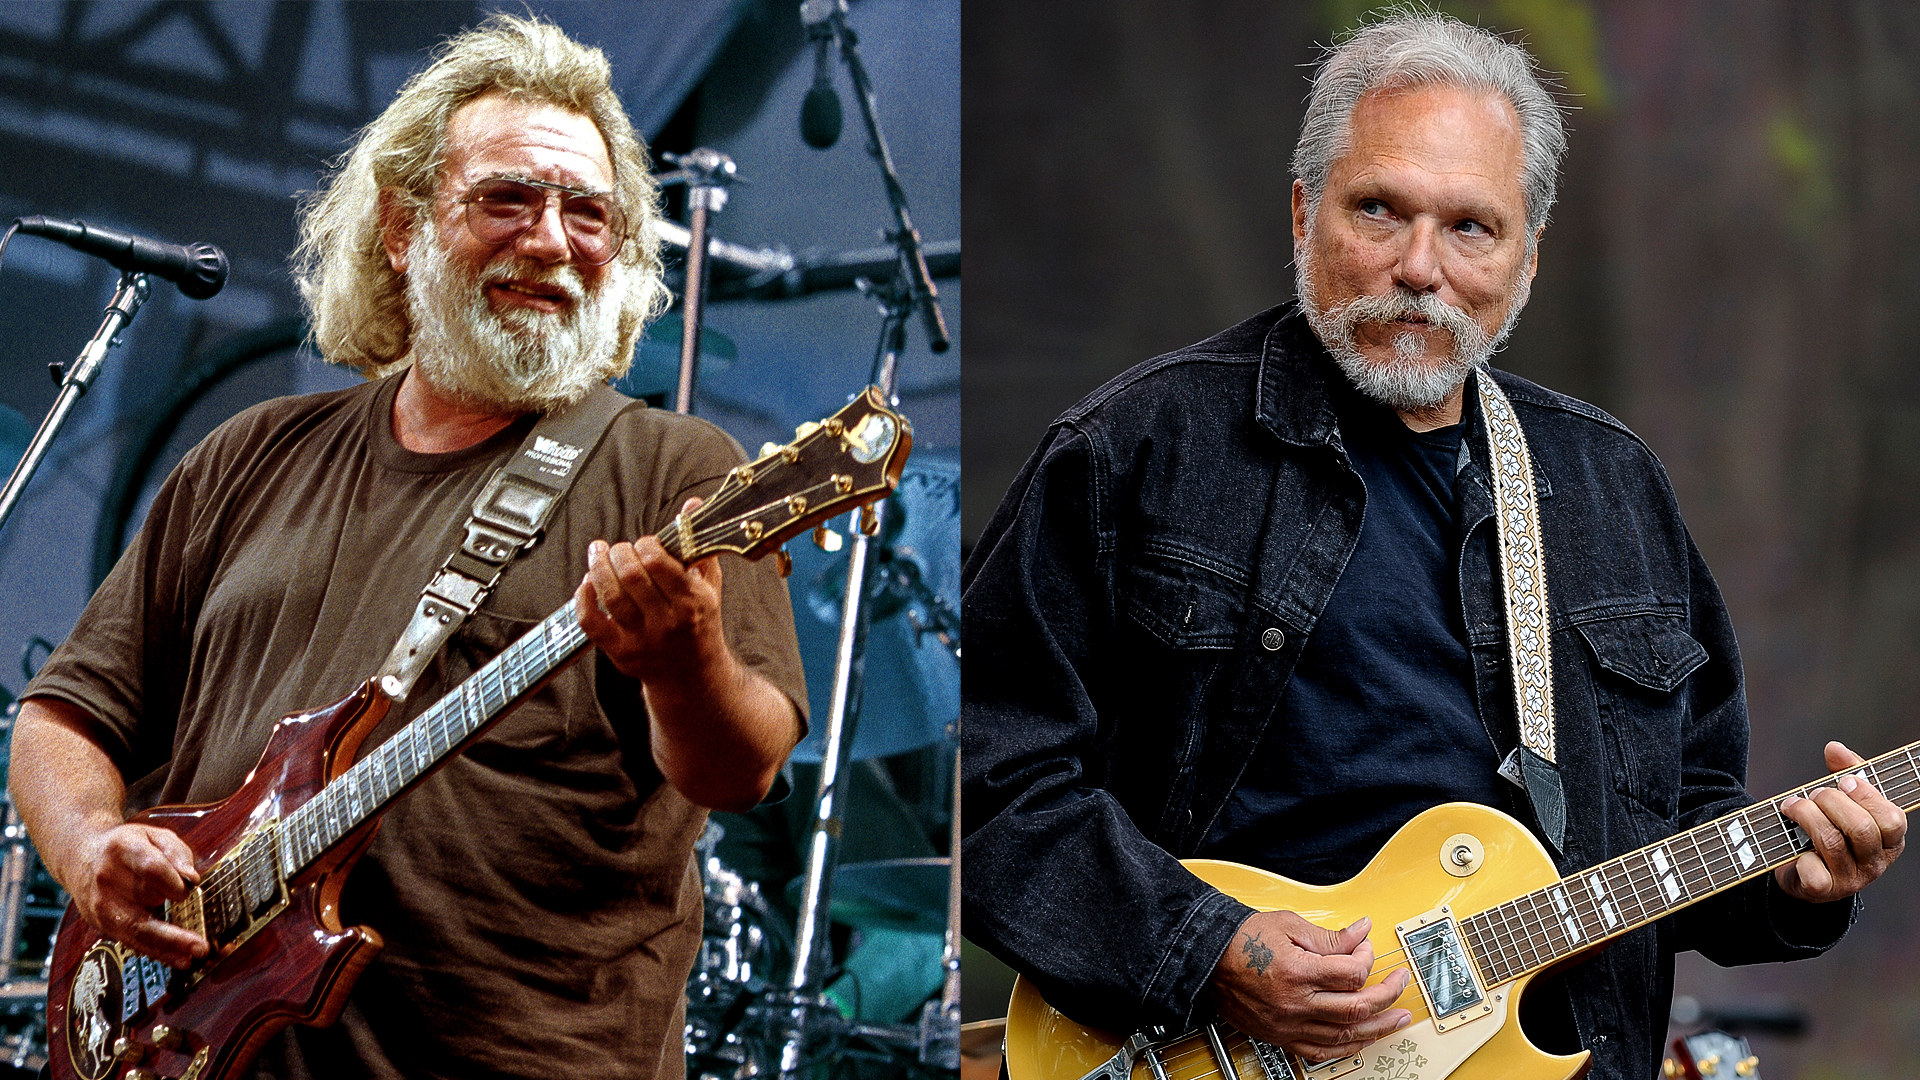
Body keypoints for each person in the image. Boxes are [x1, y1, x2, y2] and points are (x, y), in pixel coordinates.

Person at [961, 11, 1905, 1080]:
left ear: (1528, 256)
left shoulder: (1610, 485)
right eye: (1379, 210)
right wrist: (1207, 944)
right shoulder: (1136, 448)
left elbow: (1684, 821)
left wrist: (1797, 881)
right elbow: (986, 776)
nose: (1420, 267)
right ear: (1305, 211)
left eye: (1471, 227)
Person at [10, 15, 805, 1080]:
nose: (551, 240)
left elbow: (740, 766)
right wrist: (89, 847)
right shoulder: (250, 454)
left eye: (589, 214)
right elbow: (66, 714)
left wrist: (686, 659)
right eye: (508, 199)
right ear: (402, 226)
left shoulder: (670, 469)